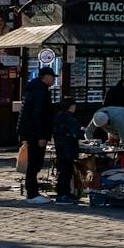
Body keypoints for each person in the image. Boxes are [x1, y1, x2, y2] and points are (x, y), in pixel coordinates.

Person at [15, 67, 55, 200]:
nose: (53, 79)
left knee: (34, 162)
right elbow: (38, 115)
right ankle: (32, 192)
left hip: (30, 131)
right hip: (35, 132)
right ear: (45, 77)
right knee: (35, 162)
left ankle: (32, 190)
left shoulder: (33, 89)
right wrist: (41, 135)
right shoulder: (40, 91)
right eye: (52, 77)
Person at [51, 100, 82, 203]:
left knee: (63, 171)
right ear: (72, 106)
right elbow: (77, 133)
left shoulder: (58, 117)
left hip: (60, 147)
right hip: (69, 147)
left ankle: (63, 193)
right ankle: (64, 194)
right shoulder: (70, 118)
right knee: (67, 172)